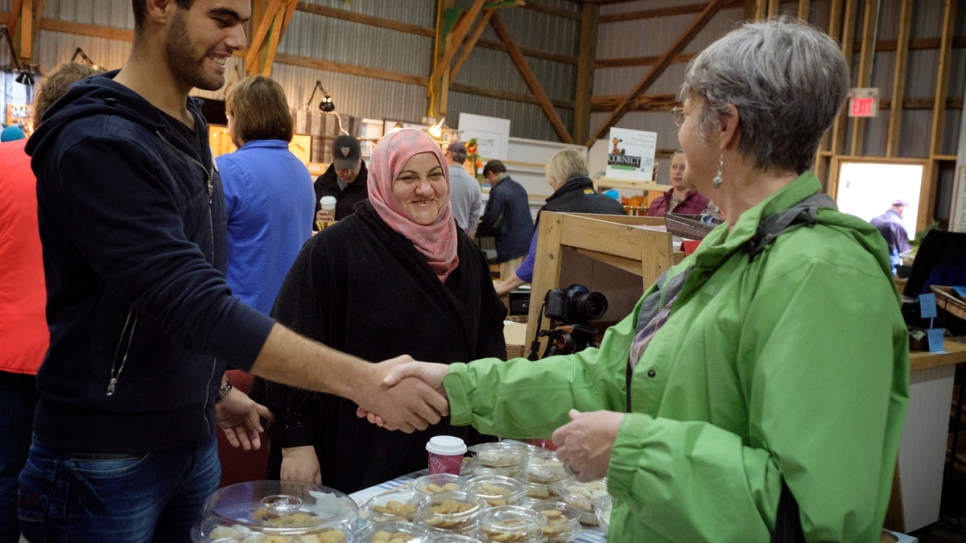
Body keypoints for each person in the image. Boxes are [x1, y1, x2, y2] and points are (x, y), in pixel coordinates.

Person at [375, 18, 908, 542]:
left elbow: (816, 517)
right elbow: (602, 377)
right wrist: (456, 386)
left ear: (725, 127)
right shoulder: (724, 255)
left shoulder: (824, 274)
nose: (678, 132)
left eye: (685, 113)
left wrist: (631, 449)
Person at [19, 1, 445, 541]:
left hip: (189, 442)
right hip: (104, 459)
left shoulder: (186, 126)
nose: (240, 40)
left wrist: (213, 390)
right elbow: (191, 301)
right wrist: (364, 382)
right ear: (159, 7)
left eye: (242, 21)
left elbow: (161, 300)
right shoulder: (101, 140)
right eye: (222, 19)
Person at [257, 128, 506, 493]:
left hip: (446, 449)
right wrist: (296, 444)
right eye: (408, 178)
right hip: (356, 450)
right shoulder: (334, 251)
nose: (425, 189)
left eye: (434, 175)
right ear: (383, 182)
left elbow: (488, 337)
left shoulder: (464, 255)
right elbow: (290, 347)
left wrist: (486, 429)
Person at [0, 61, 100, 543]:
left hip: (10, 355)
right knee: (72, 487)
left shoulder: (4, 163)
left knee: (6, 478)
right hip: (79, 360)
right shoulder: (104, 169)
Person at [218, 74, 314, 316]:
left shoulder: (228, 170)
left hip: (239, 322)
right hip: (288, 320)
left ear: (237, 117)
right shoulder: (301, 171)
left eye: (228, 116)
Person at [495, 148, 625, 296]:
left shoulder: (554, 211)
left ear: (559, 177)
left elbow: (536, 261)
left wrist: (504, 286)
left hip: (568, 298)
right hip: (613, 296)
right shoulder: (616, 208)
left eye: (551, 180)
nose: (551, 184)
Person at [477, 159, 534, 280]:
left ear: (490, 174)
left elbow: (492, 219)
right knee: (521, 286)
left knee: (508, 287)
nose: (489, 182)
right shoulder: (518, 187)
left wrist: (478, 233)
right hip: (527, 244)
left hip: (511, 246)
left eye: (488, 179)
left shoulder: (499, 191)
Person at [313, 134, 369, 230]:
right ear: (333, 160)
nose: (347, 173)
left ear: (360, 157)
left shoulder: (371, 186)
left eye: (351, 167)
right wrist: (315, 218)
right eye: (342, 168)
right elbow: (306, 214)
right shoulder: (322, 183)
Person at [647, 151, 709, 217]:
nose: (677, 172)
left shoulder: (705, 204)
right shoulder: (656, 204)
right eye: (674, 167)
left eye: (683, 168)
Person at [445, 141, 483, 236]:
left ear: (449, 154)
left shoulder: (440, 177)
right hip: (461, 236)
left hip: (439, 234)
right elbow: (474, 216)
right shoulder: (474, 184)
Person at [871, 199, 913, 274]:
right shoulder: (898, 224)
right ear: (902, 210)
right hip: (889, 270)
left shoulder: (874, 220)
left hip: (871, 265)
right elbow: (906, 253)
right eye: (909, 211)